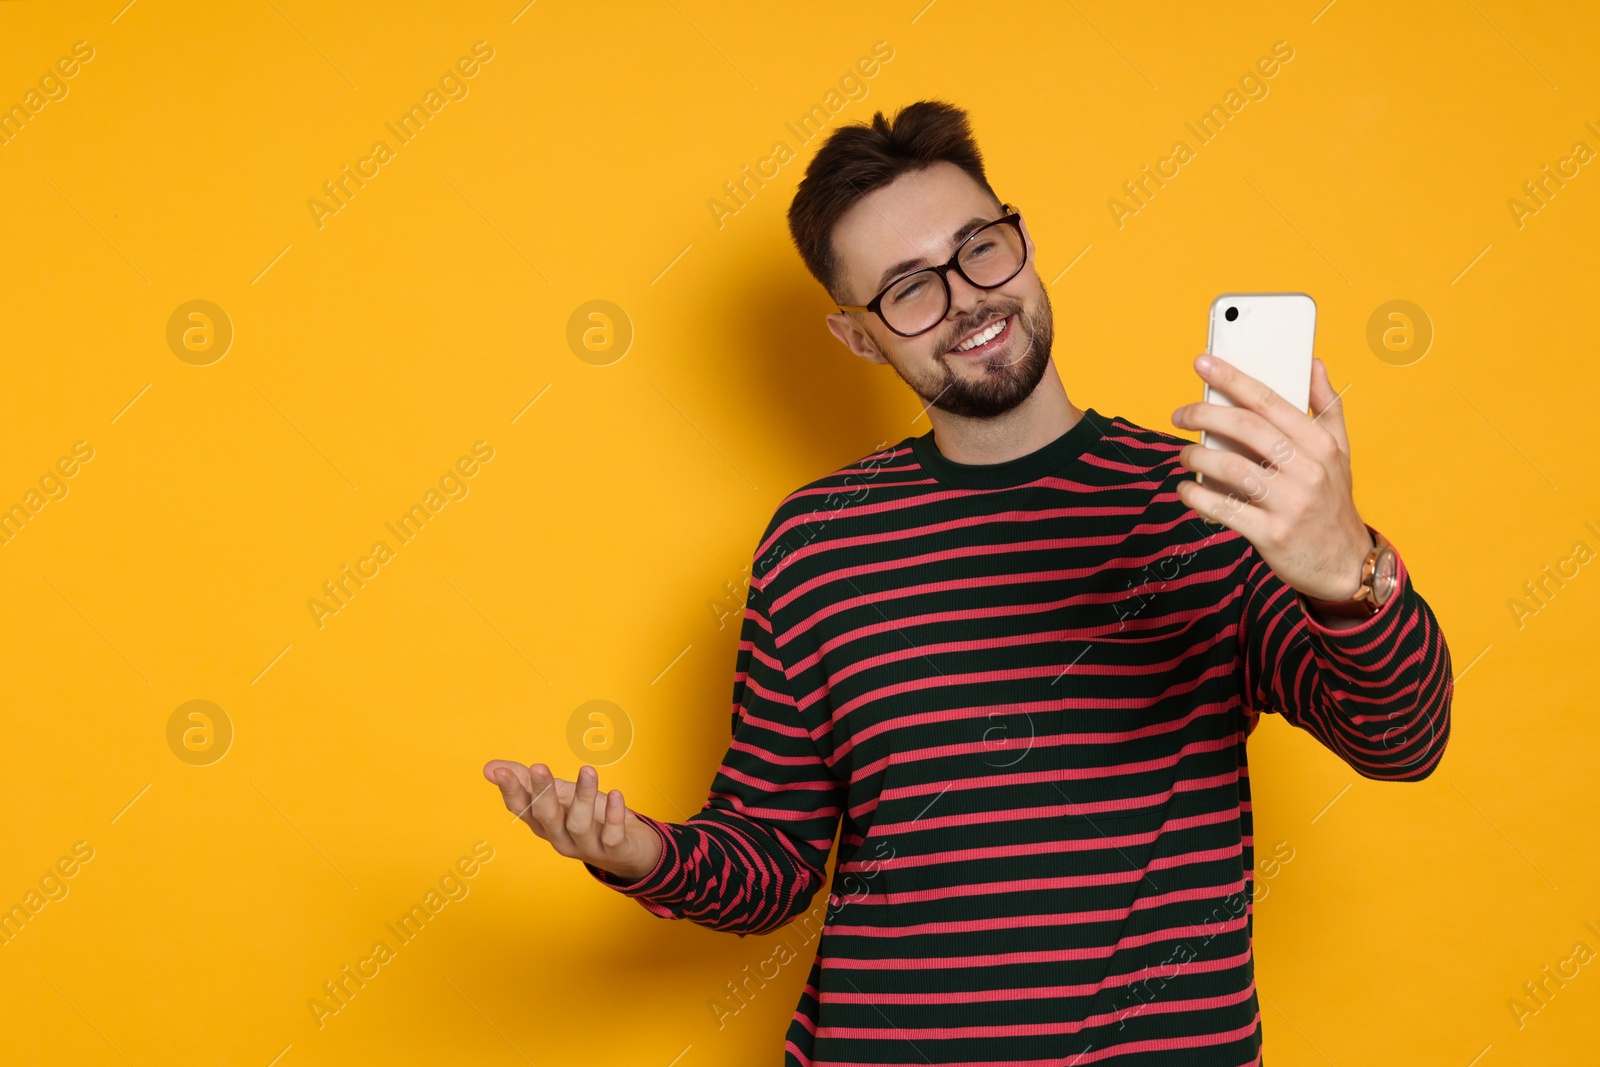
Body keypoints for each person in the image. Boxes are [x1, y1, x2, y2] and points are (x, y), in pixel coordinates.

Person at [483, 99, 1452, 1066]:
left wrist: (1342, 568)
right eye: (908, 288)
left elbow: (1401, 739)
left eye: (979, 248)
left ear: (1020, 243)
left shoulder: (1208, 501)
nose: (966, 299)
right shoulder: (814, 544)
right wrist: (636, 854)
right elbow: (771, 864)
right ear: (859, 337)